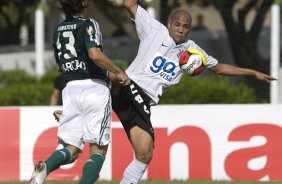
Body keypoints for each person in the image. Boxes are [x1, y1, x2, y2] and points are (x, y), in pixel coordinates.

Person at [52, 0, 276, 183]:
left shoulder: (193, 51)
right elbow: (130, 4)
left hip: (143, 101)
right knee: (115, 79)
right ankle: (78, 113)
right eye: (177, 24)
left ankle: (77, 117)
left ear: (189, 28)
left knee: (144, 154)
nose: (180, 29)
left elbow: (219, 68)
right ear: (169, 23)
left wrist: (252, 73)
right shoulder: (154, 30)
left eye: (185, 26)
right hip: (130, 86)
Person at [29, 0, 130, 184]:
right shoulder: (89, 24)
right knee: (98, 149)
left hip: (70, 90)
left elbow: (60, 65)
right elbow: (94, 54)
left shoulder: (58, 30)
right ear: (83, 5)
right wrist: (117, 72)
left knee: (71, 149)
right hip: (94, 89)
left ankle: (45, 167)